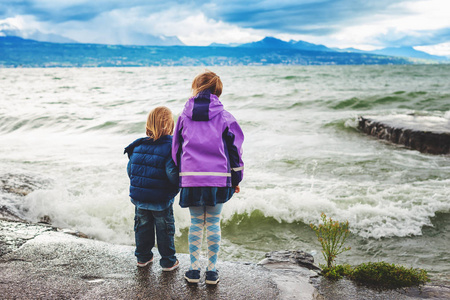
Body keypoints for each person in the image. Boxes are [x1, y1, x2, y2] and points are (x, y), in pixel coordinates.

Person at [172, 70, 244, 285]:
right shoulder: (225, 117)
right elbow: (235, 151)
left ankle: (194, 270)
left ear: (196, 88)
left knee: (196, 223)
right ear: (218, 92)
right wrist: (237, 178)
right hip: (218, 178)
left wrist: (181, 176)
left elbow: (176, 150)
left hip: (191, 178)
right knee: (213, 223)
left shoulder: (183, 116)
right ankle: (211, 271)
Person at [124, 106, 180, 271]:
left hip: (140, 198)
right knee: (165, 229)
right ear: (170, 126)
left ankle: (143, 257)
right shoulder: (170, 147)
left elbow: (130, 171)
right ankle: (168, 261)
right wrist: (179, 184)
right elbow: (172, 174)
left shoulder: (138, 146)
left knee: (142, 227)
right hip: (161, 199)